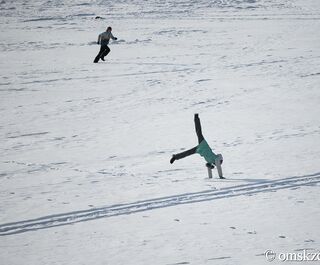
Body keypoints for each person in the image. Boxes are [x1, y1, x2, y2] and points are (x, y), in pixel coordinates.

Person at [170, 114, 224, 178]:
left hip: (200, 149)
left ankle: (175, 157)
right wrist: (221, 176)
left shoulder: (210, 162)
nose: (217, 165)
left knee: (188, 152)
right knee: (198, 132)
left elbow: (208, 166)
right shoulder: (216, 158)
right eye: (218, 164)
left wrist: (211, 167)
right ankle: (196, 117)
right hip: (204, 145)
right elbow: (219, 158)